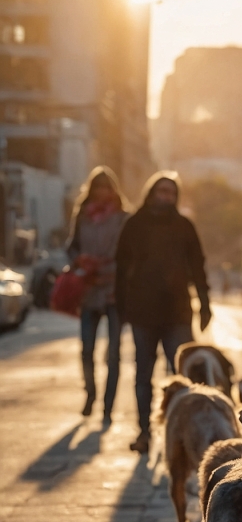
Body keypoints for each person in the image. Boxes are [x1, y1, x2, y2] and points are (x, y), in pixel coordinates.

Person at [115, 171, 211, 454]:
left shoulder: (184, 226)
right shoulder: (134, 224)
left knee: (186, 376)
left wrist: (205, 304)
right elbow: (121, 268)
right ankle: (144, 433)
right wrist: (122, 308)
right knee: (143, 375)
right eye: (162, 191)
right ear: (151, 193)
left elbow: (198, 268)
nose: (166, 197)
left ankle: (184, 435)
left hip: (178, 312)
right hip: (143, 312)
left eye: (171, 192)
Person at [66, 167, 130, 427]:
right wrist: (79, 264)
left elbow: (129, 256)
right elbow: (72, 247)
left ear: (113, 190)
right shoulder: (83, 215)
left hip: (114, 291)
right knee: (86, 349)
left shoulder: (124, 218)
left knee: (113, 353)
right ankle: (90, 393)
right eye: (97, 188)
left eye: (107, 187)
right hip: (88, 289)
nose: (102, 193)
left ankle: (107, 406)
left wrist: (106, 269)